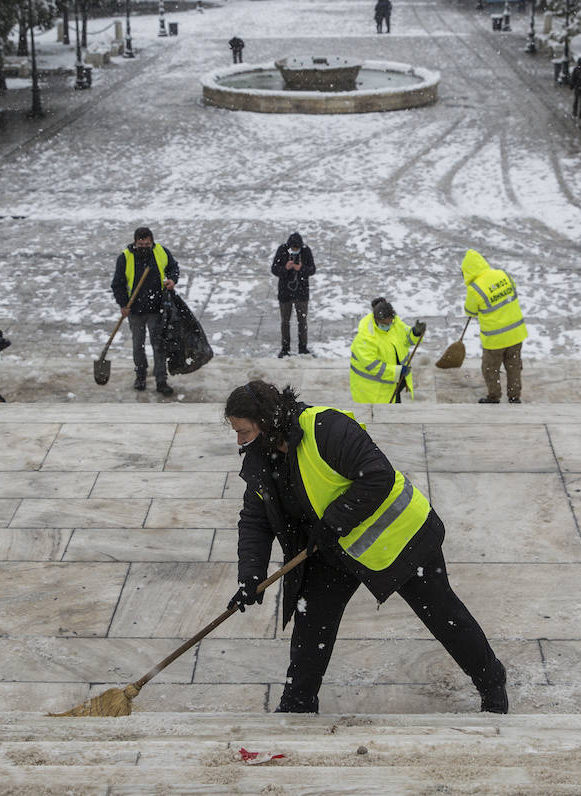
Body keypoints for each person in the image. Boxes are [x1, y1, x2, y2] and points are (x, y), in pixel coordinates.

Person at [224, 379, 507, 714]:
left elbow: (378, 475)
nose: (240, 441)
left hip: (399, 539)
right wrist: (250, 576)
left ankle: (491, 682)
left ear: (268, 424)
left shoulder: (325, 427)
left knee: (444, 616)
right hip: (330, 551)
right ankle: (297, 703)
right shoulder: (261, 459)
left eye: (244, 431)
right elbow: (255, 520)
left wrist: (333, 523)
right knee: (311, 625)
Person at [111, 226, 181, 395]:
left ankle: (161, 380)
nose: (144, 247)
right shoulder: (125, 257)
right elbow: (118, 284)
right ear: (135, 242)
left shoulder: (161, 252)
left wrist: (172, 279)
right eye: (140, 244)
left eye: (147, 244)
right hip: (134, 310)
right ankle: (140, 376)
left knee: (158, 346)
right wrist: (123, 304)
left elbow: (173, 267)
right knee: (138, 345)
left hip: (156, 309)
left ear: (152, 242)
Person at [461, 250, 528, 404]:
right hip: (516, 333)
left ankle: (494, 396)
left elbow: (470, 311)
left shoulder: (475, 288)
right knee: (514, 366)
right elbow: (513, 290)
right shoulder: (502, 274)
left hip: (495, 338)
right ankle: (514, 396)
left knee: (491, 369)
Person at [349, 297, 425, 404]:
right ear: (376, 320)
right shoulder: (366, 338)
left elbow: (406, 339)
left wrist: (415, 333)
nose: (387, 326)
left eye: (389, 322)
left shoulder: (395, 323)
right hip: (374, 391)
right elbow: (374, 366)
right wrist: (398, 371)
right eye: (383, 324)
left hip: (393, 383)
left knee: (395, 404)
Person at [271, 232, 316, 358]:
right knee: (285, 321)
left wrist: (300, 269)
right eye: (293, 248)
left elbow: (312, 269)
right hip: (285, 292)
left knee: (302, 321)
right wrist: (285, 268)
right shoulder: (282, 250)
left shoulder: (306, 251)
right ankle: (285, 348)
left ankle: (303, 348)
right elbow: (274, 269)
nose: (295, 251)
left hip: (301, 293)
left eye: (297, 248)